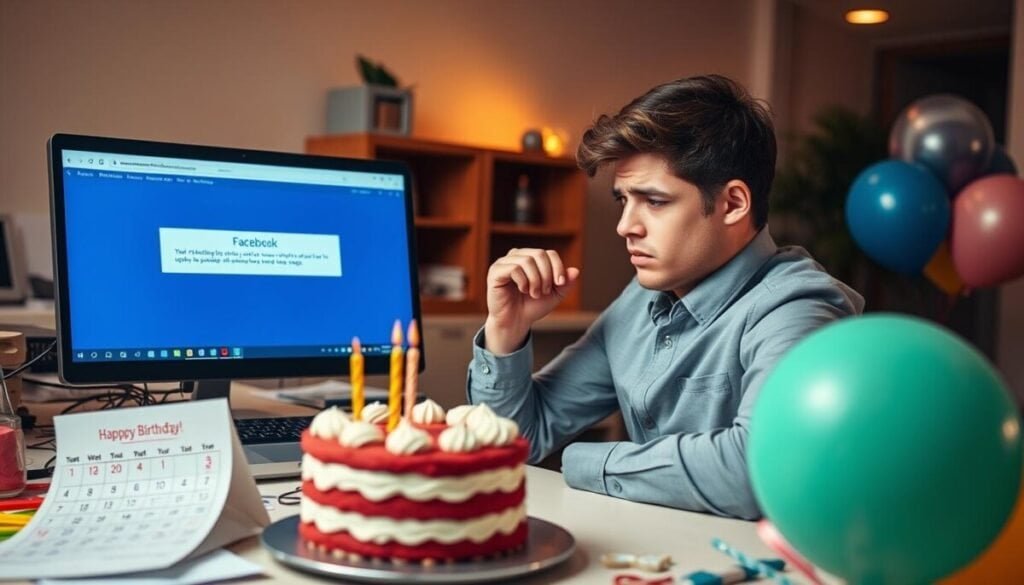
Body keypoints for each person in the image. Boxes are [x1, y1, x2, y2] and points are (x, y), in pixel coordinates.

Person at [466, 74, 864, 519]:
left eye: (654, 201)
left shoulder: (797, 308)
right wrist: (506, 329)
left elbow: (758, 469)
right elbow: (516, 439)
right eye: (623, 200)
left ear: (733, 203)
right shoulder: (640, 300)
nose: (625, 227)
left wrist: (583, 461)